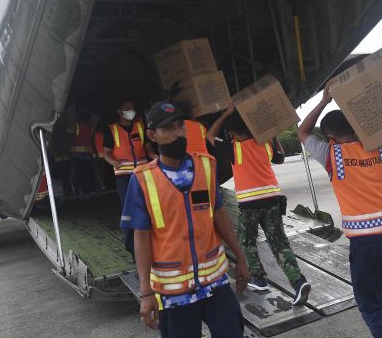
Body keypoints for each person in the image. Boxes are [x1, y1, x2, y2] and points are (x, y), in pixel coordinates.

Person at [119, 102, 248, 338]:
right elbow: (141, 237)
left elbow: (219, 215)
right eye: (169, 129)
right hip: (173, 293)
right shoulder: (142, 180)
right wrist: (146, 293)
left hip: (215, 283)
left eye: (180, 126)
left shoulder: (206, 166)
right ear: (152, 135)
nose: (178, 133)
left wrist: (240, 258)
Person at [298, 83, 382, 338]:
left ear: (330, 137)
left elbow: (303, 132)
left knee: (372, 305)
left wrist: (323, 101)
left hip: (367, 240)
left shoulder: (332, 154)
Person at [207, 103, 311, 305]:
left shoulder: (234, 148)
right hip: (273, 199)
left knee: (247, 242)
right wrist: (272, 134)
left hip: (250, 204)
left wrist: (225, 114)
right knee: (279, 242)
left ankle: (259, 278)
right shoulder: (265, 145)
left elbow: (210, 135)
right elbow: (279, 159)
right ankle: (298, 282)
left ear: (233, 133)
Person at [103, 100, 150, 255]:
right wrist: (113, 162)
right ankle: (131, 247)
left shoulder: (140, 127)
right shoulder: (112, 130)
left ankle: (149, 241)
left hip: (142, 173)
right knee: (129, 210)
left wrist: (155, 156)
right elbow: (106, 152)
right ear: (119, 111)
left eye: (133, 109)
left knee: (148, 206)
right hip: (124, 176)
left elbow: (147, 147)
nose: (131, 111)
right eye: (128, 109)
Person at [67, 109, 97, 197]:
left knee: (79, 171)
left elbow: (67, 130)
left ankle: (82, 189)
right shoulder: (91, 127)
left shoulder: (76, 125)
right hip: (87, 153)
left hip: (77, 153)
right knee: (86, 171)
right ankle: (84, 189)